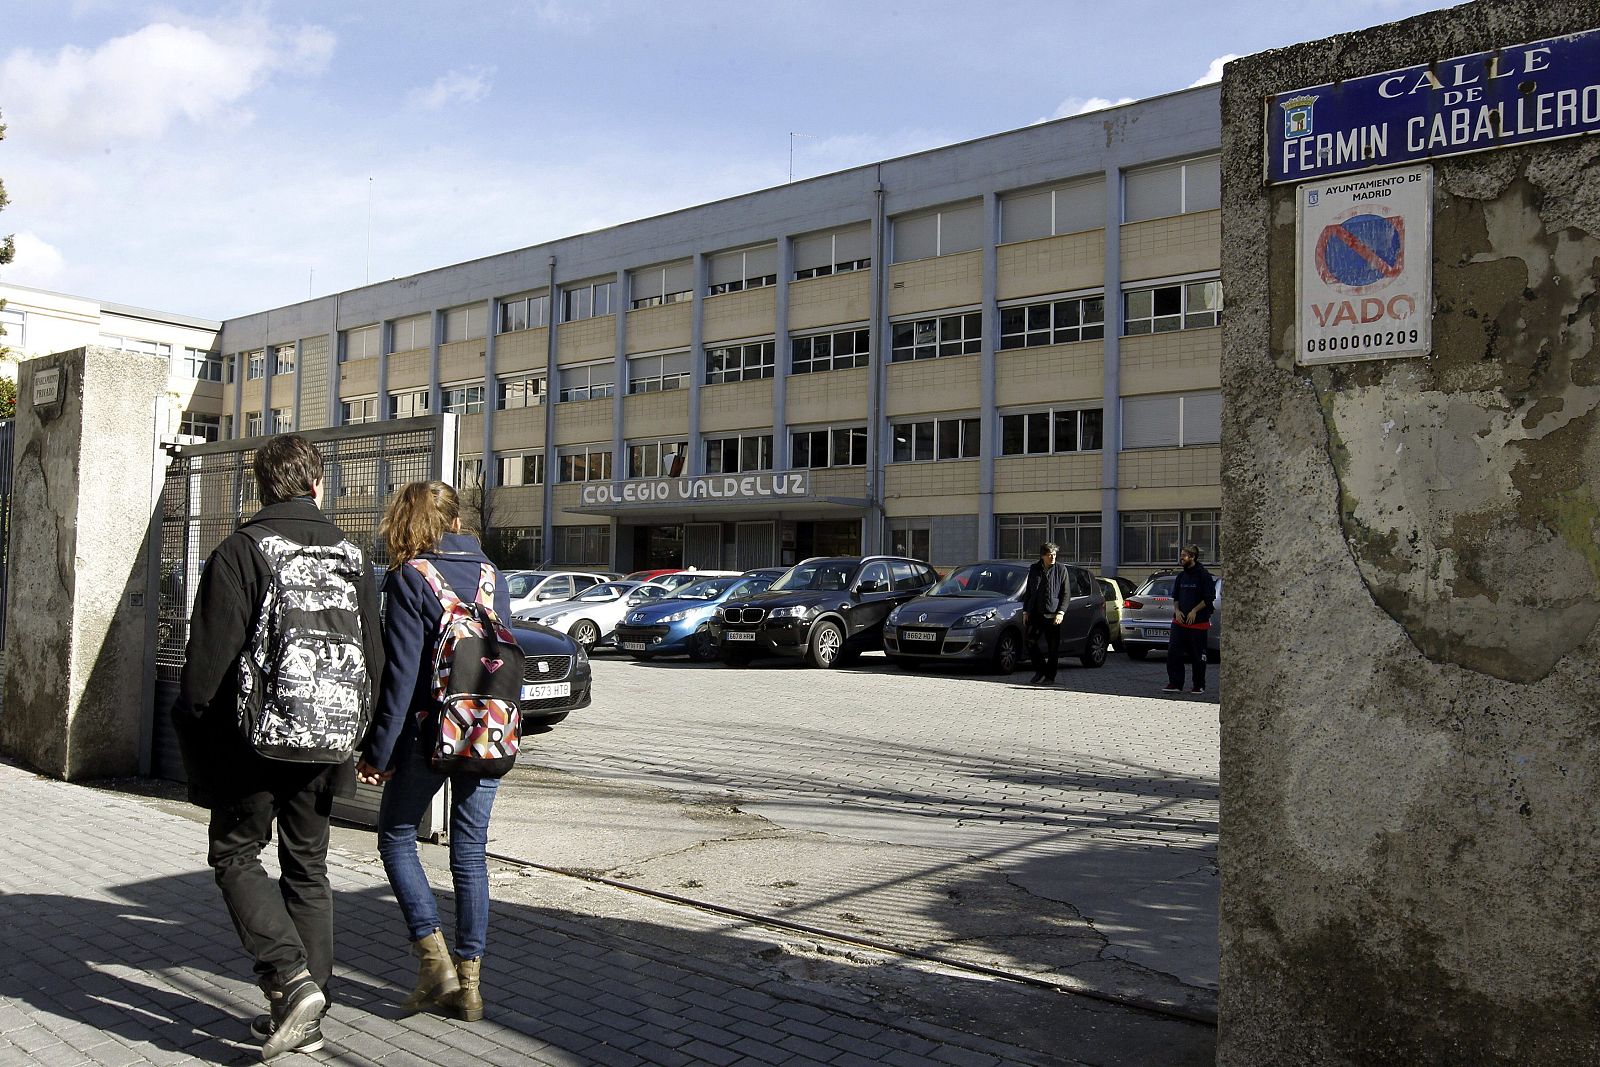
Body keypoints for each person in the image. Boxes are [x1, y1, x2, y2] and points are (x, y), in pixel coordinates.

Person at [173, 434, 384, 1060]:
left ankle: (288, 979)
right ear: (318, 484)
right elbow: (373, 655)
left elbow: (206, 668)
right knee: (308, 868)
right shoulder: (354, 555)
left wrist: (197, 740)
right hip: (330, 736)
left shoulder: (242, 550)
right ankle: (308, 1015)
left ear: (258, 485)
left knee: (235, 855)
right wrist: (361, 735)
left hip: (255, 740)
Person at [358, 481, 514, 1023]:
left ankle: (434, 963)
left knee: (396, 836)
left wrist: (378, 750)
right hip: (490, 732)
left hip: (429, 735)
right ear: (454, 519)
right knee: (470, 852)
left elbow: (401, 677)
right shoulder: (492, 575)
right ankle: (471, 986)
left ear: (407, 521)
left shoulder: (409, 578)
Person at [1164, 544, 1216, 694]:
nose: (1181, 558)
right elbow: (1176, 597)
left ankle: (1198, 685)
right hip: (1179, 622)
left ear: (1192, 557)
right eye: (1181, 555)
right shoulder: (1181, 576)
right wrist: (1177, 610)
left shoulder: (1203, 575)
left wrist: (1194, 610)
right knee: (1173, 653)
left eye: (1184, 556)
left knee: (1197, 656)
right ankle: (1175, 683)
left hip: (1198, 623)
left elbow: (1209, 598)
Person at [1021, 542, 1069, 684]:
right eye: (1049, 555)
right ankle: (1040, 669)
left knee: (1053, 647)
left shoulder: (1061, 569)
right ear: (1042, 556)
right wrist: (1025, 611)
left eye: (1054, 555)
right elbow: (1029, 591)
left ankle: (1050, 676)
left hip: (1053, 614)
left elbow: (1066, 593)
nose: (1052, 557)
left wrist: (1061, 612)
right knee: (1030, 641)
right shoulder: (1034, 568)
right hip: (1035, 613)